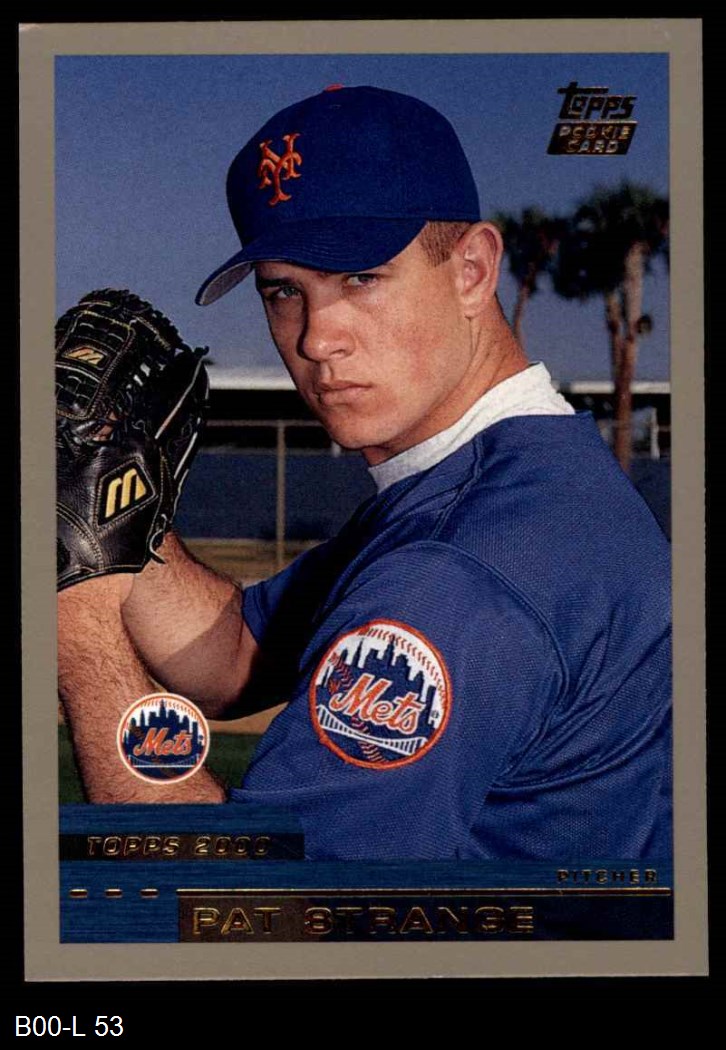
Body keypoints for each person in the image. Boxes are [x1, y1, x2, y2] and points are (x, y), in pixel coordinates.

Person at [58, 86, 672, 861]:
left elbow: (254, 901)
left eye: (360, 278)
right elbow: (234, 656)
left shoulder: (461, 569)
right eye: (285, 291)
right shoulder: (503, 475)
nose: (317, 338)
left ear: (473, 269)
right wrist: (103, 504)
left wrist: (76, 627)